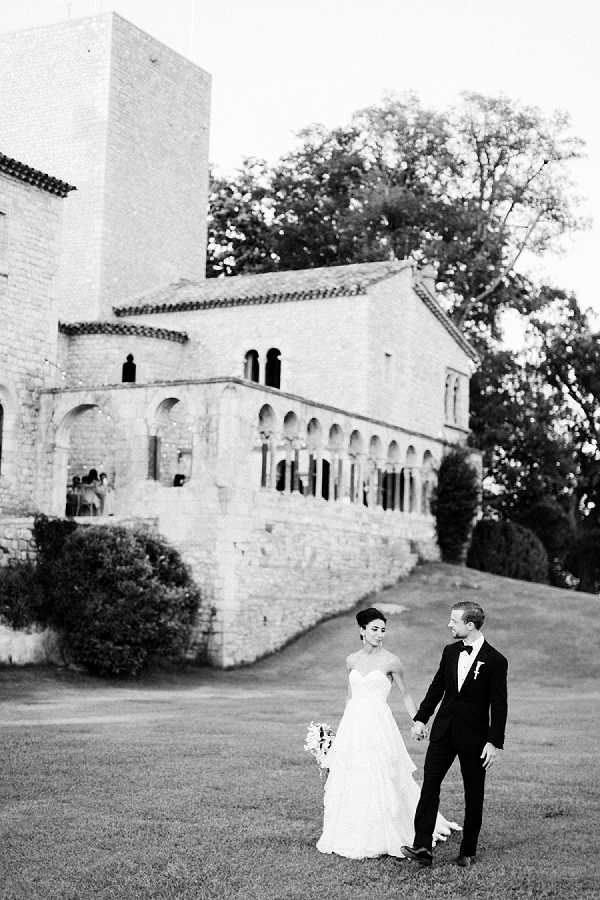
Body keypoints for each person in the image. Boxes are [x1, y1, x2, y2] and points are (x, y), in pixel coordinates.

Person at [316, 607, 460, 859]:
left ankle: (393, 831)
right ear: (361, 630)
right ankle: (349, 831)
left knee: (383, 774)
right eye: (374, 629)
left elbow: (404, 694)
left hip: (379, 726)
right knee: (351, 775)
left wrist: (418, 721)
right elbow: (349, 696)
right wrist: (341, 734)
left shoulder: (391, 661)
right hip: (353, 725)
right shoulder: (351, 660)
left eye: (383, 630)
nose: (380, 634)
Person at [401, 601, 508, 869]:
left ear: (469, 625)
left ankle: (468, 850)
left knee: (473, 792)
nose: (449, 624)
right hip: (443, 732)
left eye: (454, 621)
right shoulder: (450, 652)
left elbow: (500, 704)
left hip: (476, 738)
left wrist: (494, 742)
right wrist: (421, 719)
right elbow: (437, 687)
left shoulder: (496, 660)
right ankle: (422, 847)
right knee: (429, 786)